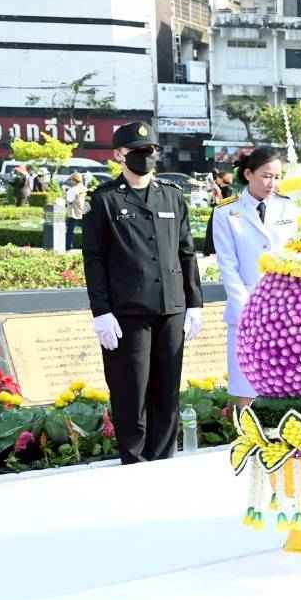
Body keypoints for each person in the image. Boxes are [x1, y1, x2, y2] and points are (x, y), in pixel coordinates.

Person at [83, 121, 204, 464]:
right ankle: (134, 461)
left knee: (167, 390)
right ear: (119, 155)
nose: (146, 156)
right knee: (131, 392)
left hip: (170, 308)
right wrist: (101, 310)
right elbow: (94, 258)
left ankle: (163, 459)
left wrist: (194, 302)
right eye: (138, 151)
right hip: (128, 311)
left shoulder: (172, 195)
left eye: (151, 150)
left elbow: (186, 252)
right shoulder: (105, 199)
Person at [213, 147, 300, 403]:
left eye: (277, 177)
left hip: (284, 311)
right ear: (248, 174)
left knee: (285, 386)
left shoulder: (289, 208)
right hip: (245, 311)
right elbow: (228, 266)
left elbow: (297, 258)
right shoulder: (226, 212)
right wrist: (248, 312)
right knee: (247, 388)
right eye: (266, 176)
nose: (272, 183)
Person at [61, 172, 89, 249]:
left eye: (71, 180)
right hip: (84, 212)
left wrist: (65, 193)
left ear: (74, 180)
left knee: (70, 231)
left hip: (73, 213)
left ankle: (69, 246)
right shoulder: (84, 188)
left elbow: (69, 200)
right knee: (86, 231)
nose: (70, 181)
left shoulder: (73, 190)